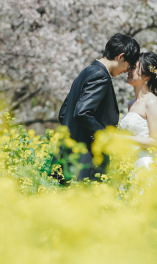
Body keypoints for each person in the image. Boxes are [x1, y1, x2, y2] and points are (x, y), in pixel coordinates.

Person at [58, 34, 140, 181]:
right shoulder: (100, 75)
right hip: (86, 162)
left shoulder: (86, 71)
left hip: (68, 158)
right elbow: (82, 112)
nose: (126, 71)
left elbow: (64, 113)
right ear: (120, 57)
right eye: (128, 66)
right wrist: (106, 137)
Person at [118, 51, 157, 188]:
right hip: (131, 165)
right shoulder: (131, 103)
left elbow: (156, 141)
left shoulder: (152, 102)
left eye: (134, 67)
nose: (128, 70)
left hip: (147, 166)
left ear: (147, 77)